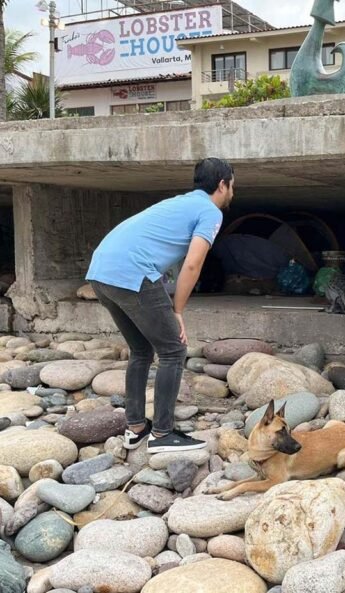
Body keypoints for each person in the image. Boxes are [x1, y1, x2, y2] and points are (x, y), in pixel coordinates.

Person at [86, 158, 235, 454]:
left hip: (100, 272)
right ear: (222, 184)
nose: (233, 192)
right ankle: (163, 434)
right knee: (173, 351)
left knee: (142, 350)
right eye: (233, 185)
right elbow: (192, 265)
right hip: (132, 273)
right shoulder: (209, 211)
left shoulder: (180, 203)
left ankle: (137, 428)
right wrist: (176, 311)